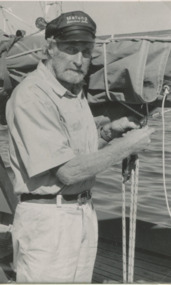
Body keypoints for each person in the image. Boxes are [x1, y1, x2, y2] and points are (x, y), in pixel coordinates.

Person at [6, 10, 155, 283]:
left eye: (86, 52)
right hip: (50, 221)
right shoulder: (32, 96)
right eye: (70, 49)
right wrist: (126, 147)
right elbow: (67, 172)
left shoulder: (72, 93)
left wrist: (108, 133)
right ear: (49, 47)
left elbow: (75, 154)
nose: (79, 61)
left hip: (81, 213)